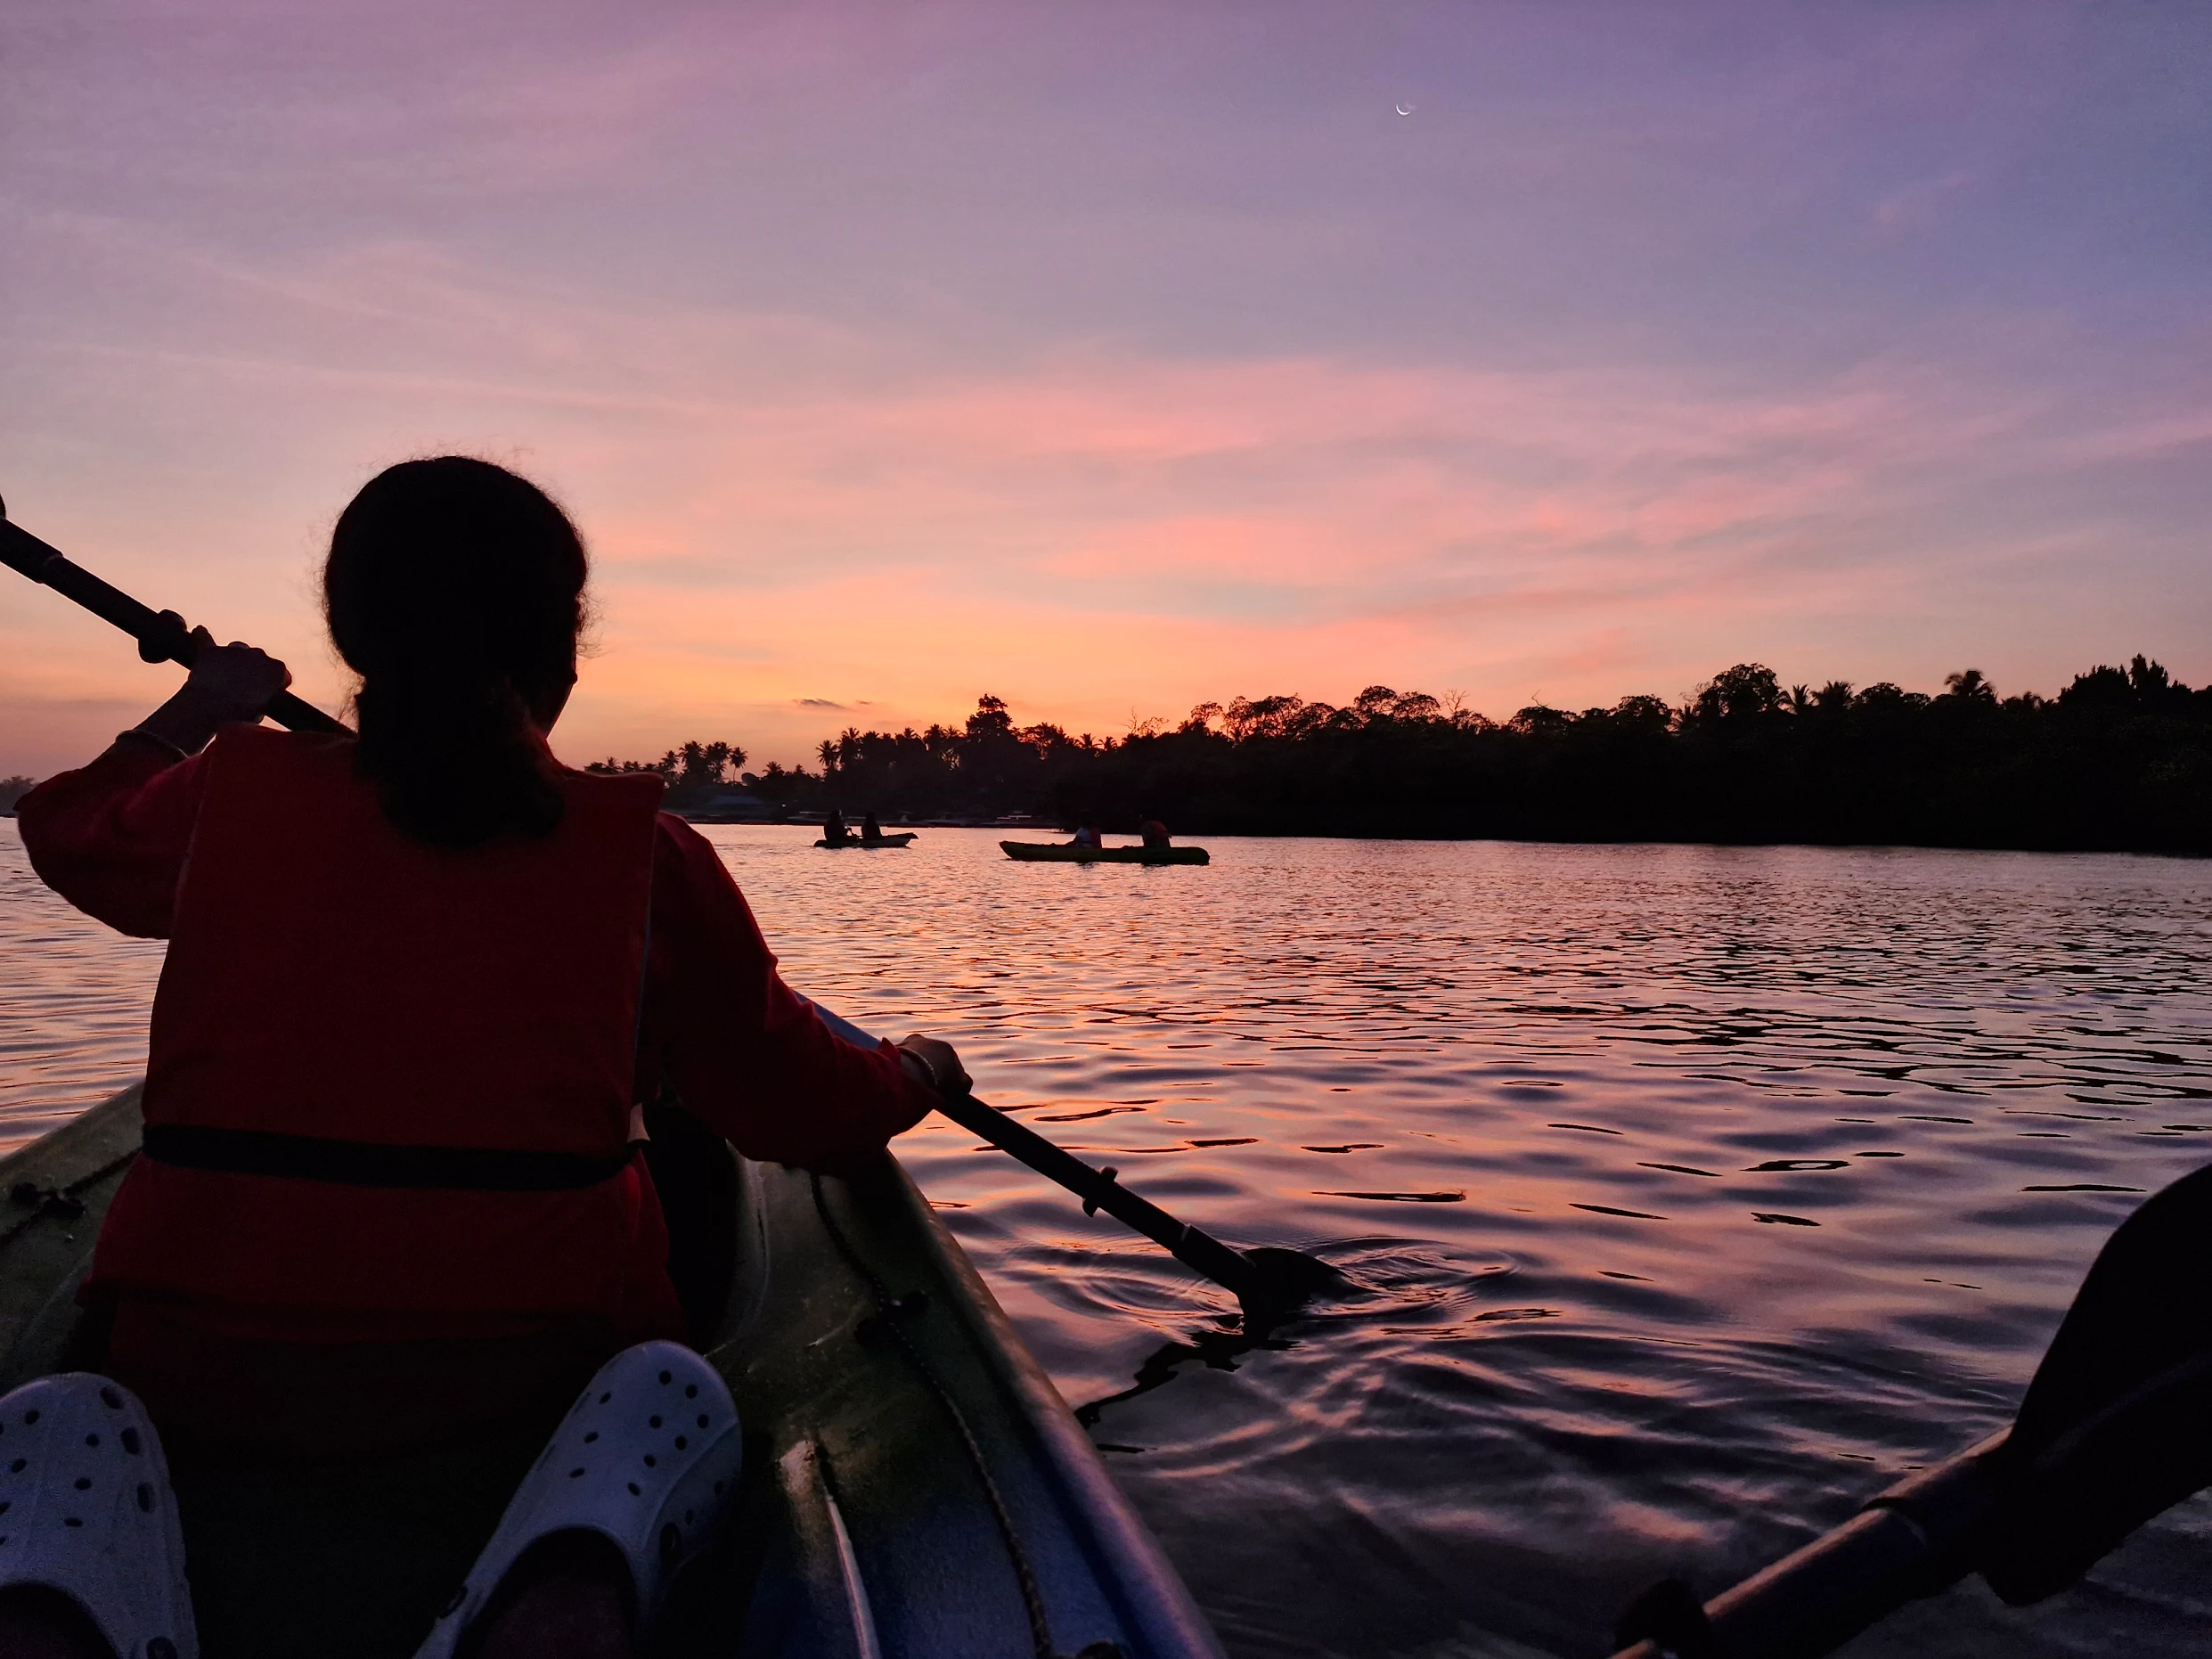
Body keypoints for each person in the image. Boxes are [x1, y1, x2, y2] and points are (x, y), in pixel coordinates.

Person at [7, 457, 967, 1659]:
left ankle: (51, 1613)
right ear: (563, 651)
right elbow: (799, 1109)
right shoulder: (649, 859)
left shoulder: (221, 800)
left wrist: (203, 709)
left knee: (62, 1411)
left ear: (354, 638)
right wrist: (916, 1074)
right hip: (532, 1384)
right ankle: (559, 1596)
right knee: (667, 1386)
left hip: (197, 1379)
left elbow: (70, 831)